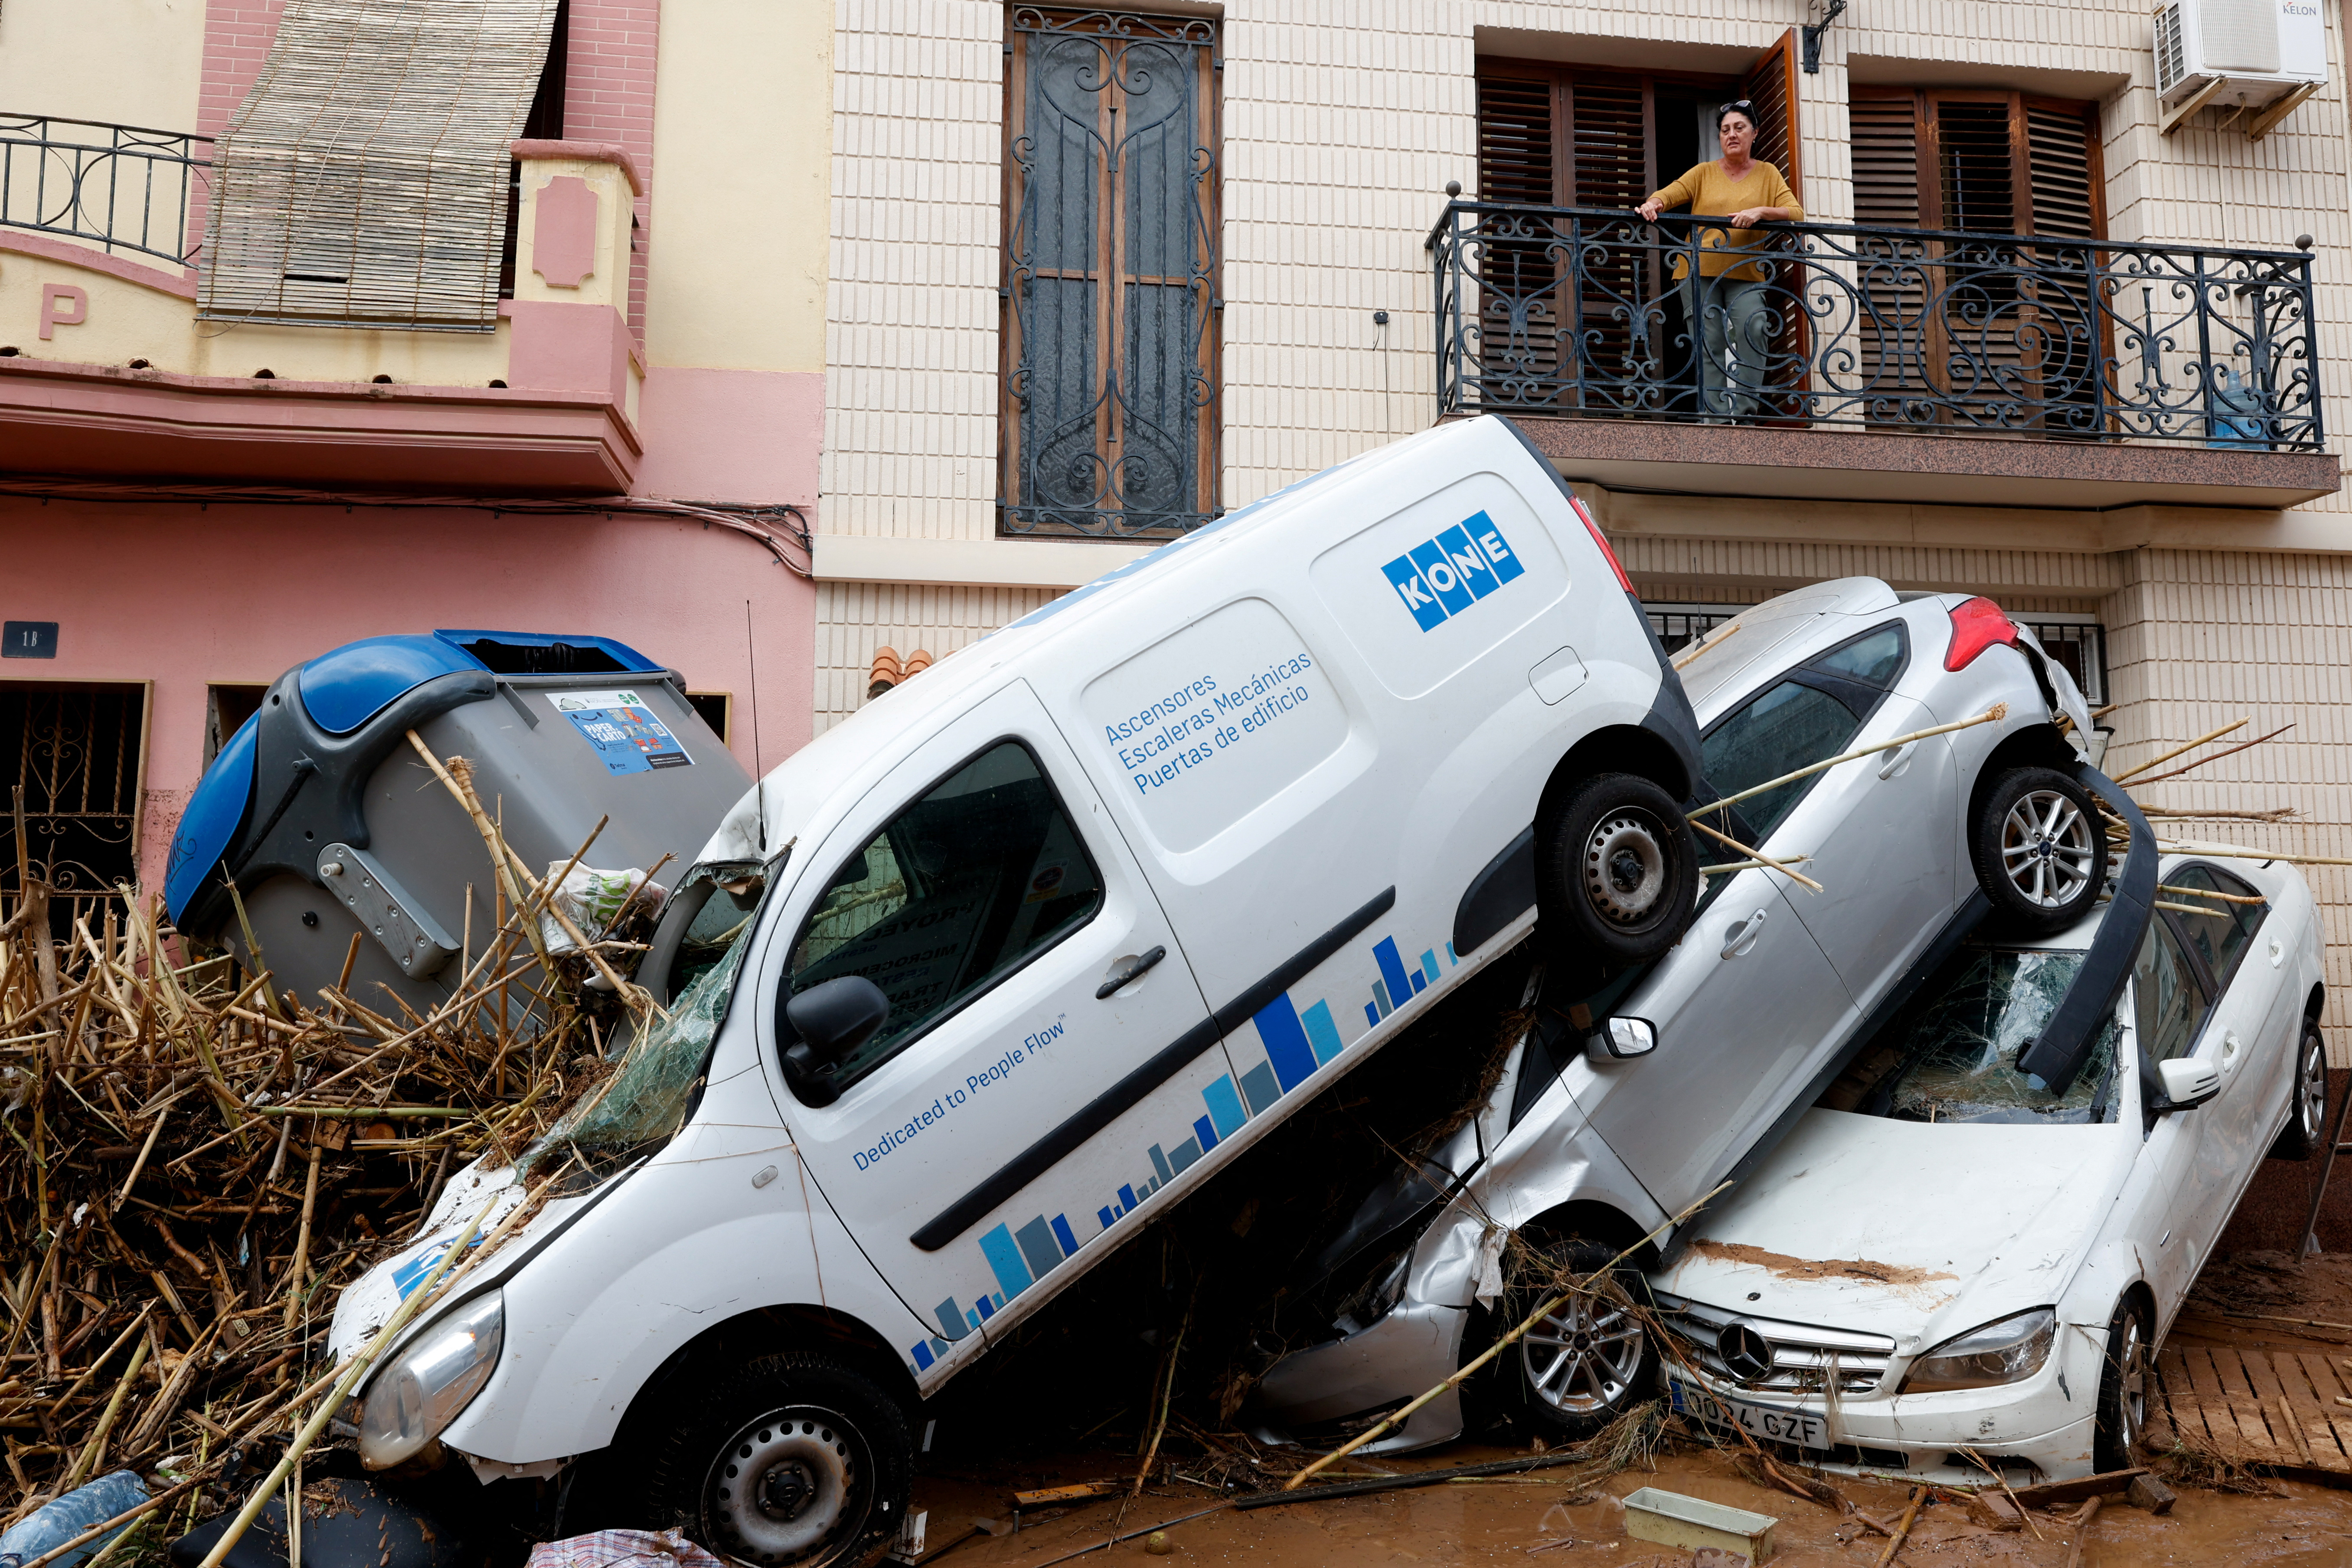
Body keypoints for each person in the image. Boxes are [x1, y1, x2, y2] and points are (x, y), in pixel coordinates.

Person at [1638, 101, 1803, 421]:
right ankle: (1714, 417)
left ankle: (1744, 414)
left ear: (1754, 133)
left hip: (1746, 271)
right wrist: (1653, 203)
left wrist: (1761, 212)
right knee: (1709, 341)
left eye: (1739, 128)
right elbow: (1672, 193)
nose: (1731, 135)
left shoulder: (1767, 174)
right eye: (1725, 130)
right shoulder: (1704, 172)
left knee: (1754, 329)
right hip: (1698, 270)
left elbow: (1795, 212)